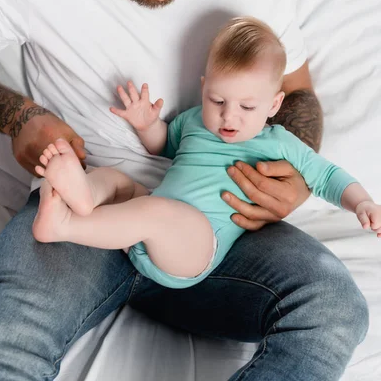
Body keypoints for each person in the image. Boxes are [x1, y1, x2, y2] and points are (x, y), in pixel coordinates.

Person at [0, 0, 368, 380]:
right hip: (87, 206)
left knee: (334, 312)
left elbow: (296, 94)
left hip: (220, 221)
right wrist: (19, 116)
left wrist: (291, 175)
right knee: (4, 348)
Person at [32, 16, 381, 289]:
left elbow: (328, 176)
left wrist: (362, 203)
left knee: (155, 210)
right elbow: (164, 146)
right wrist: (145, 125)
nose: (229, 116)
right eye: (217, 100)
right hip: (146, 228)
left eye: (247, 106)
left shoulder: (278, 142)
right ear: (204, 88)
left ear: (274, 104)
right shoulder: (196, 120)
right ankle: (84, 196)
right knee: (116, 180)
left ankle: (64, 225)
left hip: (194, 250)